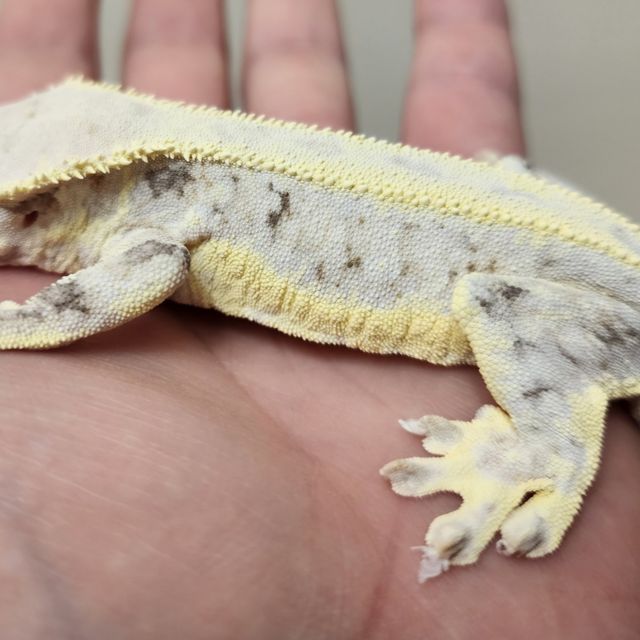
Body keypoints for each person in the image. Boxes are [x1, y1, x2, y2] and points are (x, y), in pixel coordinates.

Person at [0, 0, 637, 637]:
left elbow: (152, 265)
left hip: (591, 290)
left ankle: (549, 452)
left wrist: (28, 321)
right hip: (576, 250)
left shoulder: (140, 224)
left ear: (34, 206)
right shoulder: (148, 180)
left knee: (497, 305)